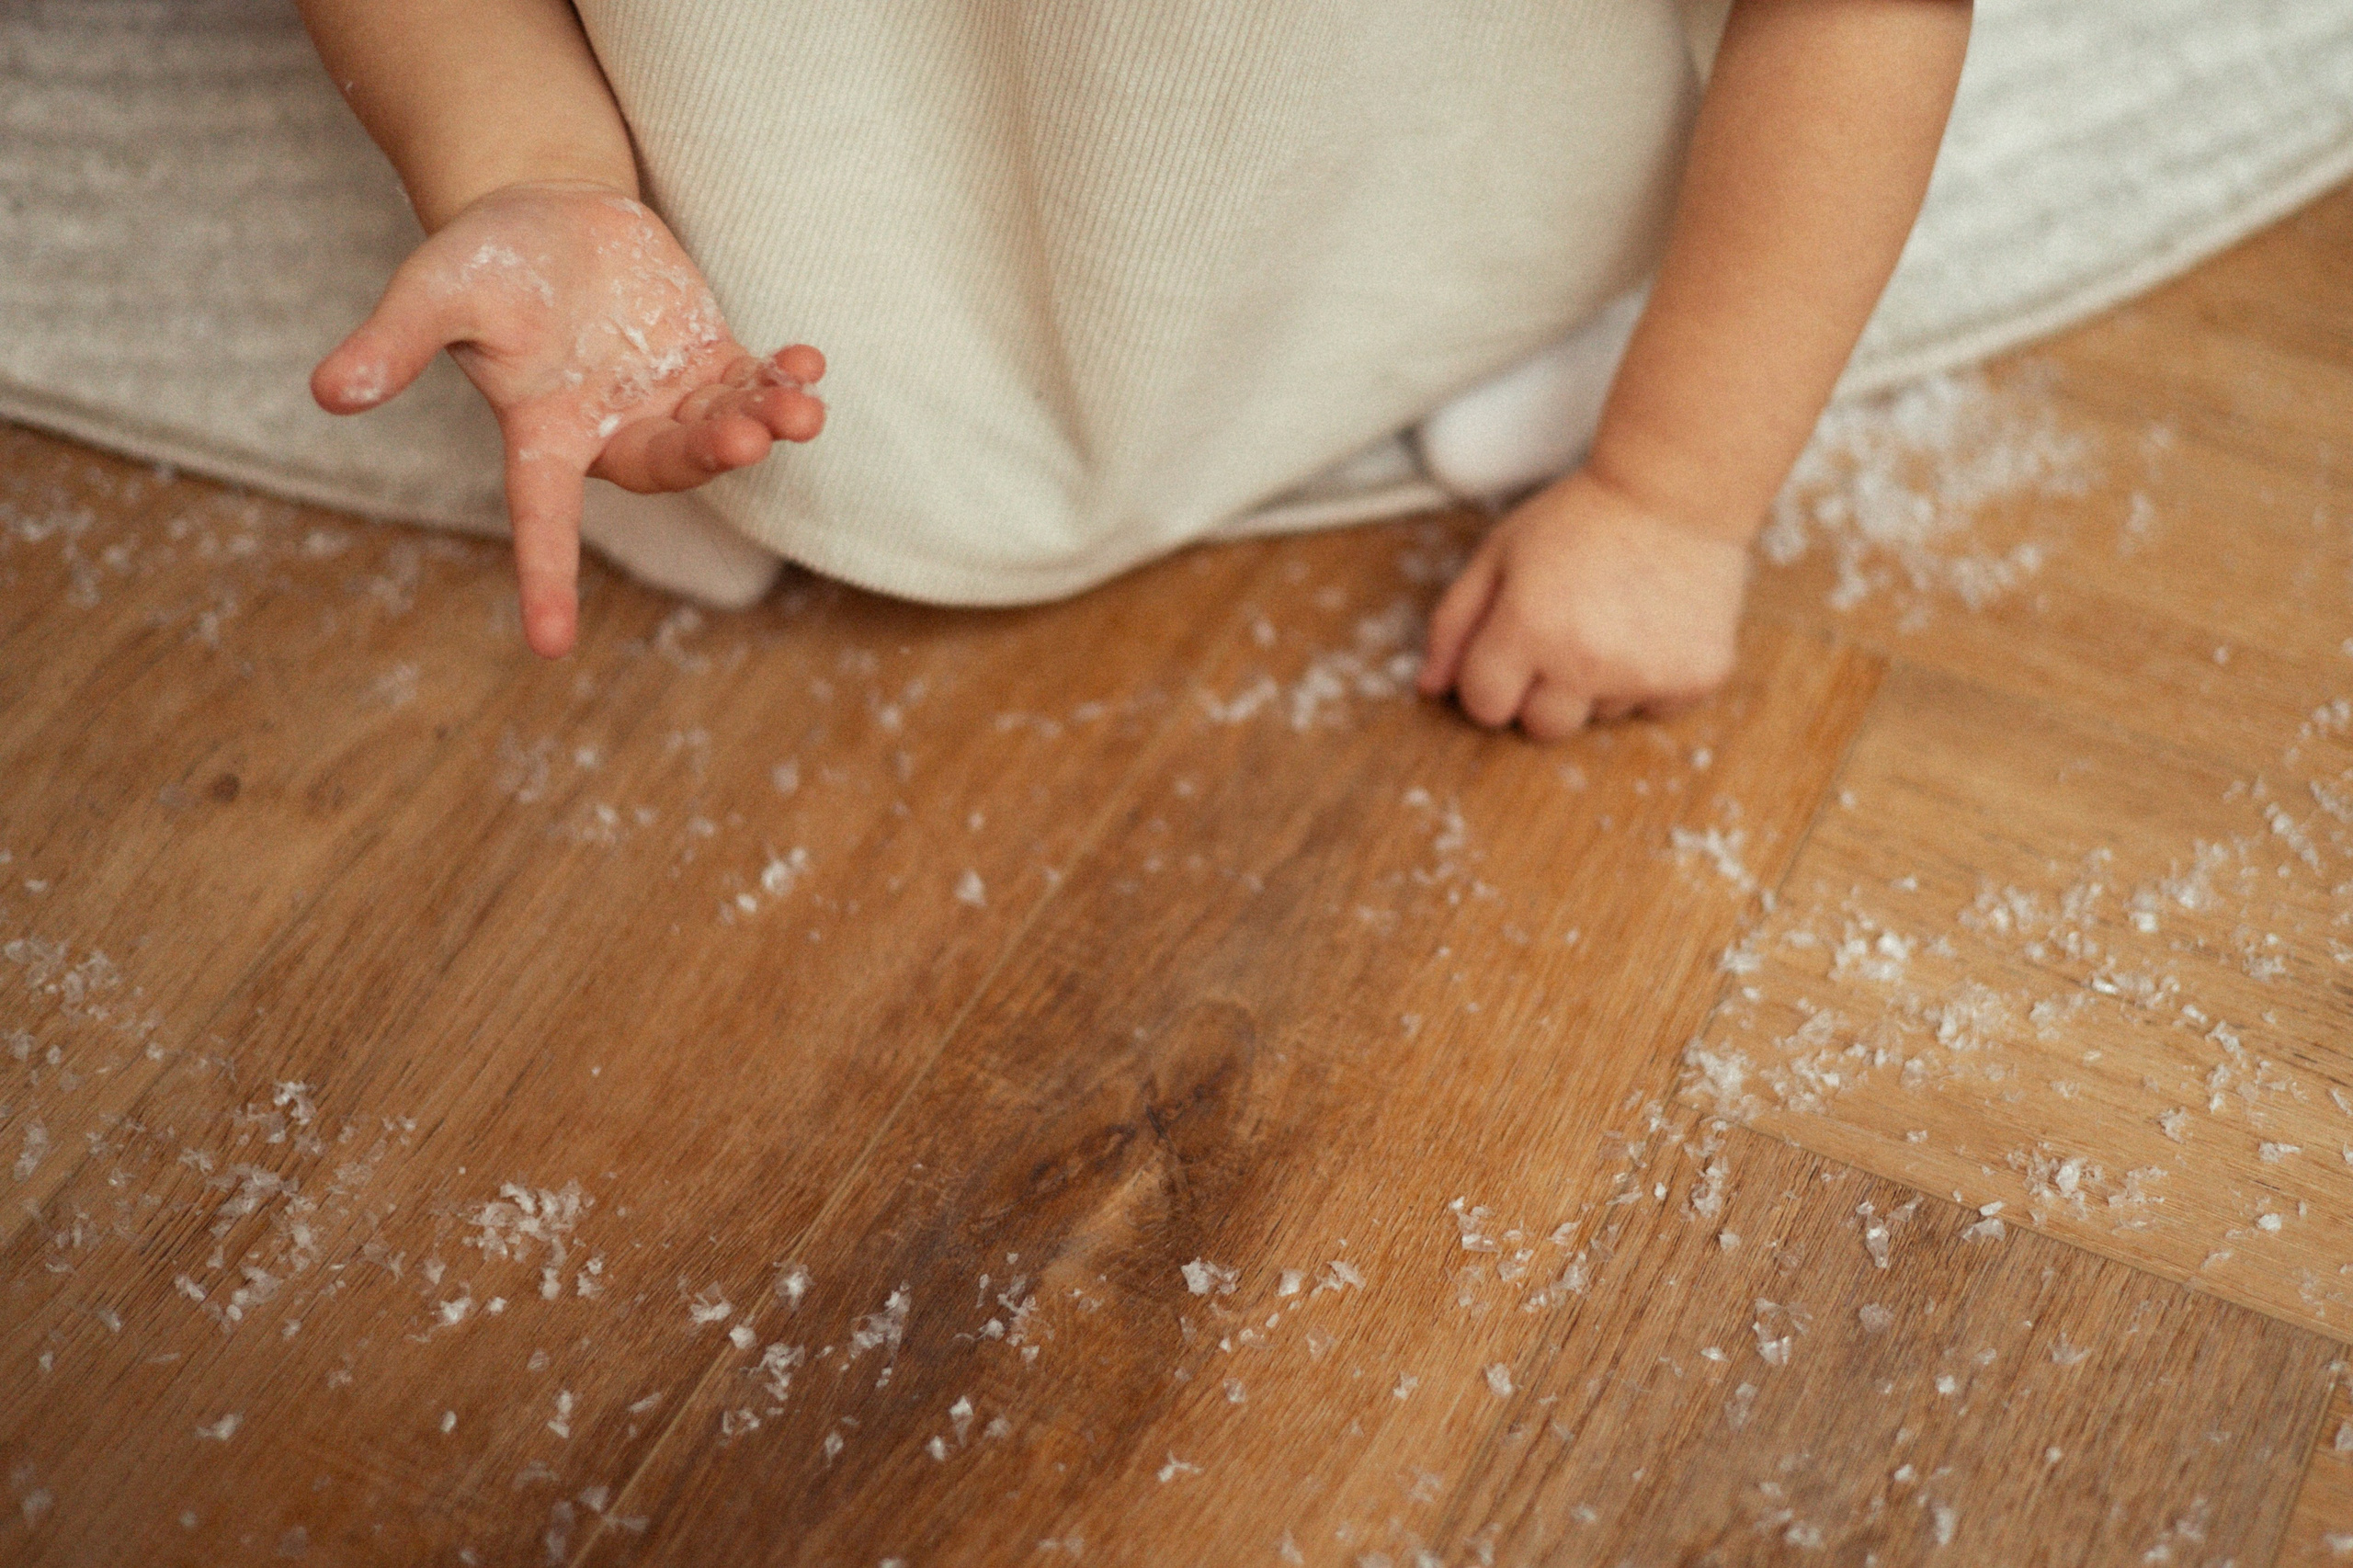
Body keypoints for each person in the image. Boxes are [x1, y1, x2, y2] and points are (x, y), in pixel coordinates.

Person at [297, 0, 1970, 738]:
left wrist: (1673, 487)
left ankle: (1465, 281)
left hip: (1431, 117)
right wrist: (523, 157)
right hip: (845, 172)